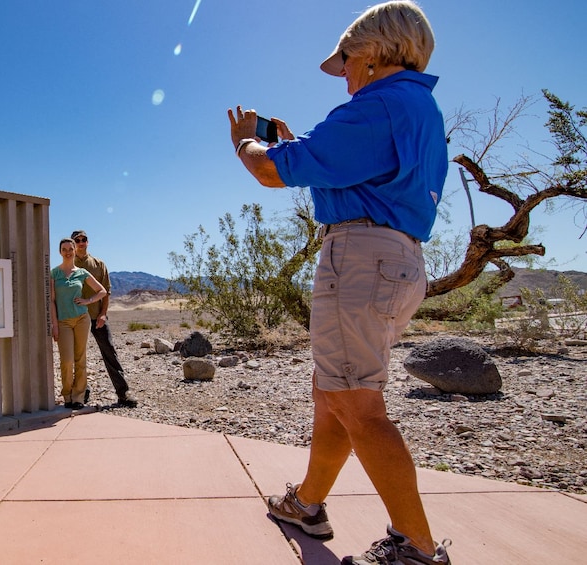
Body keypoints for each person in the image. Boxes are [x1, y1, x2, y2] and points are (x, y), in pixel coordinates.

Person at [228, 2, 451, 564]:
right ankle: (307, 503)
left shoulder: (378, 106)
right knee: (334, 395)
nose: (345, 73)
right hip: (393, 258)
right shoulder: (416, 107)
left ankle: (417, 548)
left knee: (356, 403)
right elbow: (354, 170)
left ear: (374, 52)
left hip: (361, 259)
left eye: (347, 59)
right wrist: (299, 141)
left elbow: (271, 172)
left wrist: (246, 143)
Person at [70, 229, 138, 408]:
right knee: (78, 355)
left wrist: (102, 314)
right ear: (73, 243)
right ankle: (81, 392)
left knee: (110, 353)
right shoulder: (69, 265)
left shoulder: (99, 264)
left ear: (88, 242)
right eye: (78, 240)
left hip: (97, 318)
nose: (81, 242)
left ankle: (123, 393)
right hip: (77, 318)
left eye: (84, 239)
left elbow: (106, 291)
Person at [50, 237, 107, 410]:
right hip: (63, 322)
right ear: (60, 252)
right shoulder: (54, 273)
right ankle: (67, 394)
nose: (67, 252)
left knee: (80, 358)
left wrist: (88, 300)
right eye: (64, 249)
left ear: (75, 251)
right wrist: (54, 324)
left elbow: (102, 291)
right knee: (66, 360)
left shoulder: (81, 273)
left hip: (82, 319)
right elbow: (51, 301)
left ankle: (78, 397)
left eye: (70, 248)